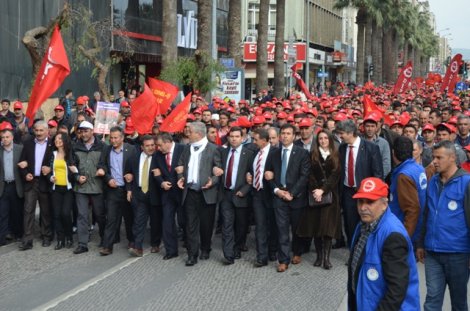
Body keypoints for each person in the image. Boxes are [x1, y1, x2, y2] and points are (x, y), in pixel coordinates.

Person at [348, 177, 420, 310]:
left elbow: (396, 291)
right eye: (360, 201)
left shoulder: (393, 236)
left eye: (370, 202)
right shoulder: (363, 225)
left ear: (384, 204)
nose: (363, 207)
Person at [417, 140, 470, 311]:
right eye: (433, 157)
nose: (434, 161)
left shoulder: (466, 183)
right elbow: (426, 213)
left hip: (458, 254)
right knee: (432, 299)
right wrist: (420, 243)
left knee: (458, 302)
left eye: (439, 157)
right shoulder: (432, 182)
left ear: (452, 158)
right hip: (433, 253)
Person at [265, 123, 311, 272]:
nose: (284, 136)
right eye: (283, 133)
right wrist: (277, 190)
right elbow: (268, 175)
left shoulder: (302, 153)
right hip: (279, 196)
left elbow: (304, 177)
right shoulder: (273, 154)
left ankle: (297, 251)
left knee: (296, 228)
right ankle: (283, 260)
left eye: (288, 133)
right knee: (281, 228)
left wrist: (292, 193)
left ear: (294, 136)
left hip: (296, 197)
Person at [176, 121, 222, 266]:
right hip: (190, 191)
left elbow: (218, 170)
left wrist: (212, 181)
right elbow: (180, 165)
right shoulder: (187, 148)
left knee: (206, 224)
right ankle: (192, 254)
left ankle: (205, 248)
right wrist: (180, 178)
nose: (187, 134)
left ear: (199, 134)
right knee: (190, 224)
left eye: (190, 131)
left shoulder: (213, 149)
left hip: (206, 192)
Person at [297, 130, 340, 269]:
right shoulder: (312, 154)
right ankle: (319, 256)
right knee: (316, 227)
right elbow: (309, 174)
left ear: (330, 140)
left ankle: (327, 258)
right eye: (320, 138)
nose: (323, 141)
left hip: (330, 195)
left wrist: (323, 190)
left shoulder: (336, 154)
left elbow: (335, 175)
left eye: (325, 138)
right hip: (314, 194)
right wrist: (316, 190)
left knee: (327, 228)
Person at [336, 119, 383, 247]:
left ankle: (368, 248)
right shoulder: (342, 148)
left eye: (342, 133)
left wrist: (375, 195)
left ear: (350, 132)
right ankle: (353, 249)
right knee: (350, 222)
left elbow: (378, 173)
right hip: (348, 191)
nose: (340, 136)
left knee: (367, 221)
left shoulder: (371, 148)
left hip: (366, 193)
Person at [218, 127, 254, 265]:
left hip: (241, 194)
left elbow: (253, 174)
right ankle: (228, 254)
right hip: (226, 193)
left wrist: (245, 190)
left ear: (242, 138)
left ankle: (238, 247)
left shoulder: (249, 154)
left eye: (237, 136)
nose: (234, 139)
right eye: (231, 136)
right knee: (227, 224)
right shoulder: (222, 152)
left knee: (241, 225)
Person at [98, 126, 136, 256]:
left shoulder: (131, 150)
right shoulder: (106, 149)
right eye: (111, 138)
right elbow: (102, 164)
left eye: (116, 138)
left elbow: (137, 167)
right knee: (111, 218)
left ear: (122, 138)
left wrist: (132, 175)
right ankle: (107, 246)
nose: (113, 140)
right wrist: (108, 178)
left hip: (127, 189)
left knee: (129, 217)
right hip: (113, 189)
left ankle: (132, 240)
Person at [72, 121, 106, 254]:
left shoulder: (102, 146)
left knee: (100, 214)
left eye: (86, 131)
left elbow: (106, 163)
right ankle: (82, 243)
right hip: (81, 187)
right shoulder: (75, 147)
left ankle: (105, 238)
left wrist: (102, 169)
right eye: (81, 131)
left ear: (92, 131)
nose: (83, 134)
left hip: (97, 186)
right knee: (82, 215)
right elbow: (71, 165)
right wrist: (76, 177)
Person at [18, 120, 53, 250]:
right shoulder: (27, 144)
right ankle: (27, 240)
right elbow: (22, 162)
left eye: (41, 130)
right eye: (36, 130)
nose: (38, 133)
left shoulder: (52, 144)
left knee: (45, 211)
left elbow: (58, 162)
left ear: (47, 131)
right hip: (31, 181)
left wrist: (50, 169)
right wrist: (25, 174)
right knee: (28, 210)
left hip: (45, 181)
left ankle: (46, 236)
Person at [389, 136, 427, 247]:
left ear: (393, 152)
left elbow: (412, 209)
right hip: (417, 229)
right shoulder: (418, 168)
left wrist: (403, 239)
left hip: (406, 232)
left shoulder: (404, 175)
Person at [249, 128, 278, 266]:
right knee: (260, 225)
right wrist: (249, 174)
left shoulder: (275, 153)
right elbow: (252, 168)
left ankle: (272, 250)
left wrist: (273, 175)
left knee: (272, 224)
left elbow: (282, 171)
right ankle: (262, 256)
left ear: (265, 140)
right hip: (257, 193)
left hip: (271, 194)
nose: (254, 142)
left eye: (256, 139)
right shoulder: (255, 153)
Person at [127, 135, 160, 257]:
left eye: (152, 145)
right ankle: (137, 246)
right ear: (142, 147)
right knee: (139, 221)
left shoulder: (159, 157)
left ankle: (155, 243)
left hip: (155, 193)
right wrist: (129, 189)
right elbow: (128, 174)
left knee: (155, 221)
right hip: (139, 193)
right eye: (147, 146)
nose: (151, 148)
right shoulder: (134, 158)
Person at [153, 133, 185, 259]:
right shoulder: (157, 155)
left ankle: (190, 244)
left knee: (184, 221)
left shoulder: (183, 149)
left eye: (160, 145)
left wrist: (182, 175)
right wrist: (161, 182)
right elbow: (155, 171)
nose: (158, 148)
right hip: (167, 194)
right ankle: (171, 251)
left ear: (167, 142)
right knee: (167, 221)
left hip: (182, 192)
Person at [48, 133, 76, 250]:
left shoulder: (70, 155)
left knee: (65, 213)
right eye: (56, 139)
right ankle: (60, 240)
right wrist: (50, 177)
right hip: (56, 189)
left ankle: (69, 237)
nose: (57, 141)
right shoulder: (52, 154)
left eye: (60, 138)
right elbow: (48, 169)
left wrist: (75, 171)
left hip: (68, 189)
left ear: (65, 140)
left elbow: (76, 170)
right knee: (57, 215)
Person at [0, 125, 24, 244]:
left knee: (16, 211)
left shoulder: (20, 149)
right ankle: (2, 238)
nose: (5, 139)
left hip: (16, 185)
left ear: (12, 137)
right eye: (3, 137)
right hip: (3, 185)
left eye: (7, 137)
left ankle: (18, 234)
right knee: (2, 212)